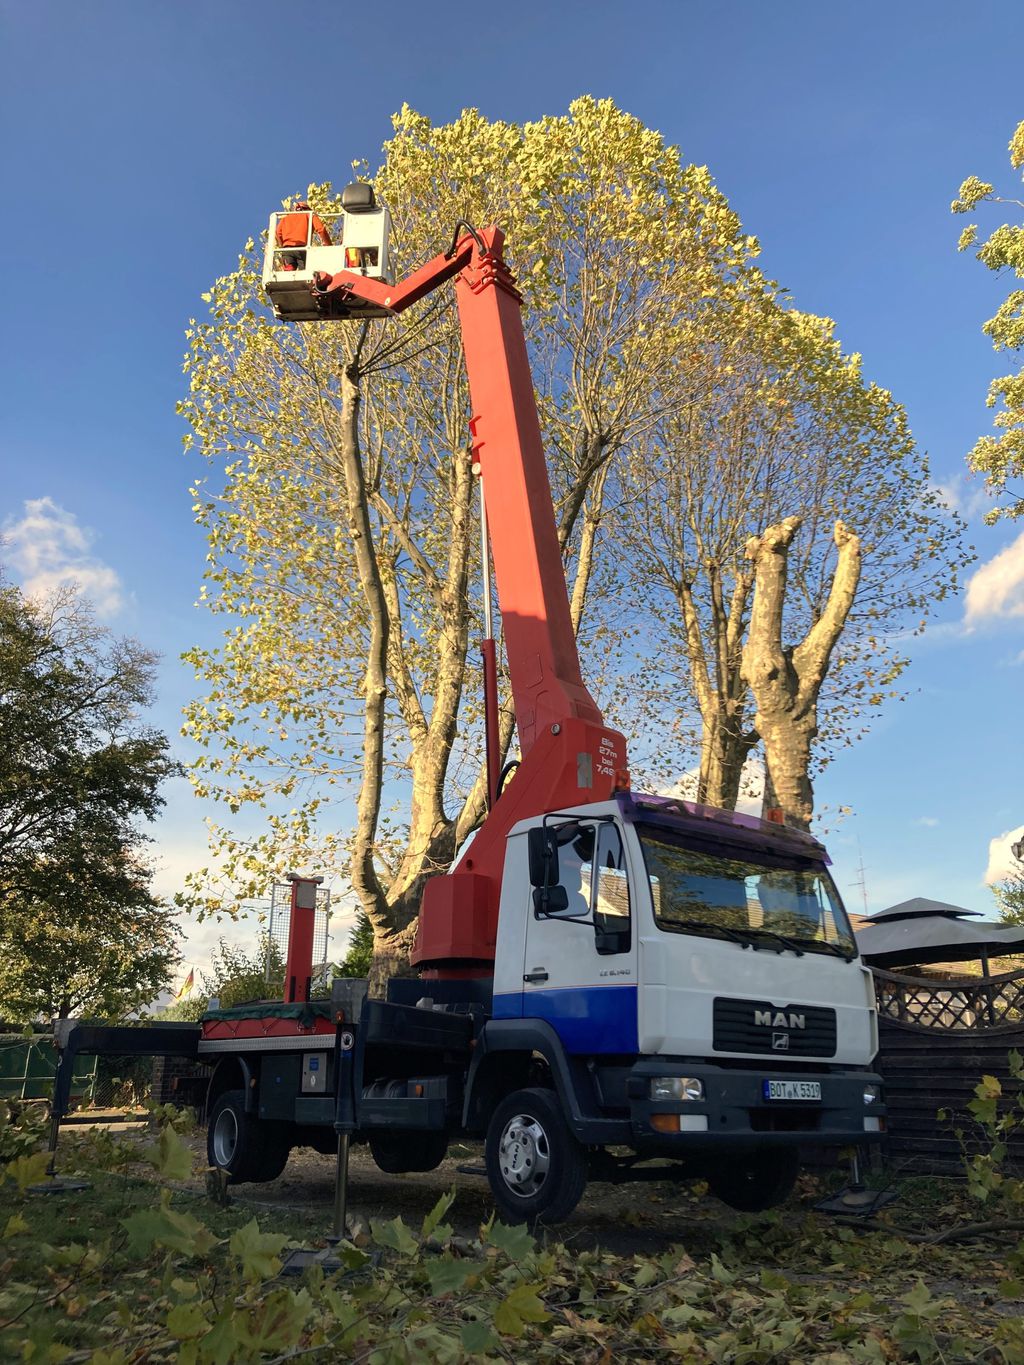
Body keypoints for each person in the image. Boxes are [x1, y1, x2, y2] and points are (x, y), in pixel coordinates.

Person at [275, 201, 332, 271]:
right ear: (307, 209)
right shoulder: (310, 215)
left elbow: (278, 233)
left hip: (287, 250)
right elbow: (321, 229)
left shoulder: (285, 219)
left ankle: (290, 267)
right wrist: (329, 245)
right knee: (305, 273)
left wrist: (283, 246)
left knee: (289, 271)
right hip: (302, 250)